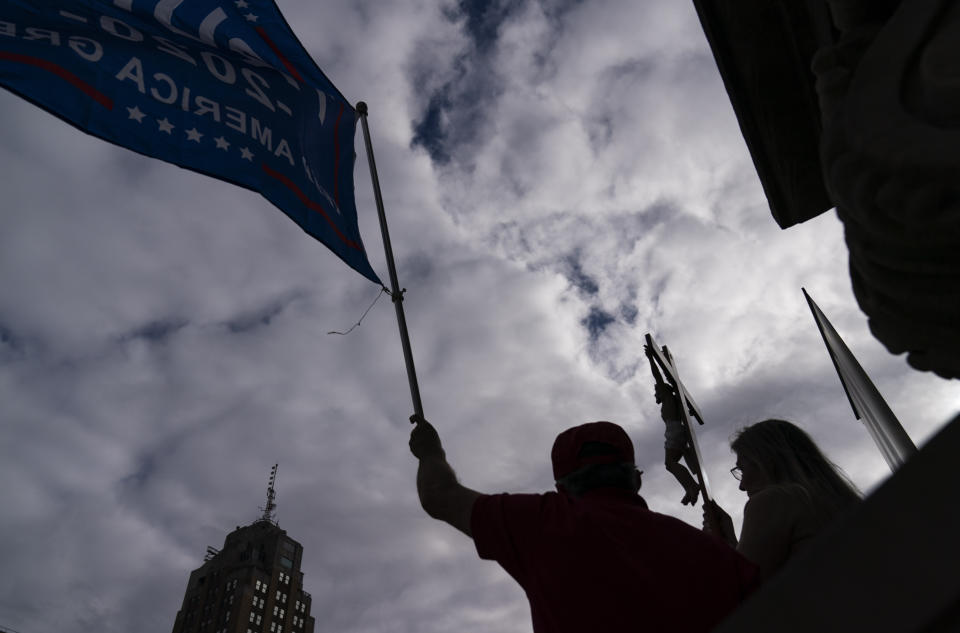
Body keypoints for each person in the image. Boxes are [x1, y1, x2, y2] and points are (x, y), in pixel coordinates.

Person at [409, 414, 759, 633]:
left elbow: (438, 494)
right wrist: (727, 548)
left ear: (561, 487)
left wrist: (431, 452)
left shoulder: (542, 523)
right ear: (635, 479)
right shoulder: (712, 553)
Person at [702, 419, 861, 580]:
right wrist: (731, 545)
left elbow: (740, 592)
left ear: (766, 463)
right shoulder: (836, 501)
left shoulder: (775, 499)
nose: (742, 486)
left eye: (742, 469)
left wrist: (713, 551)